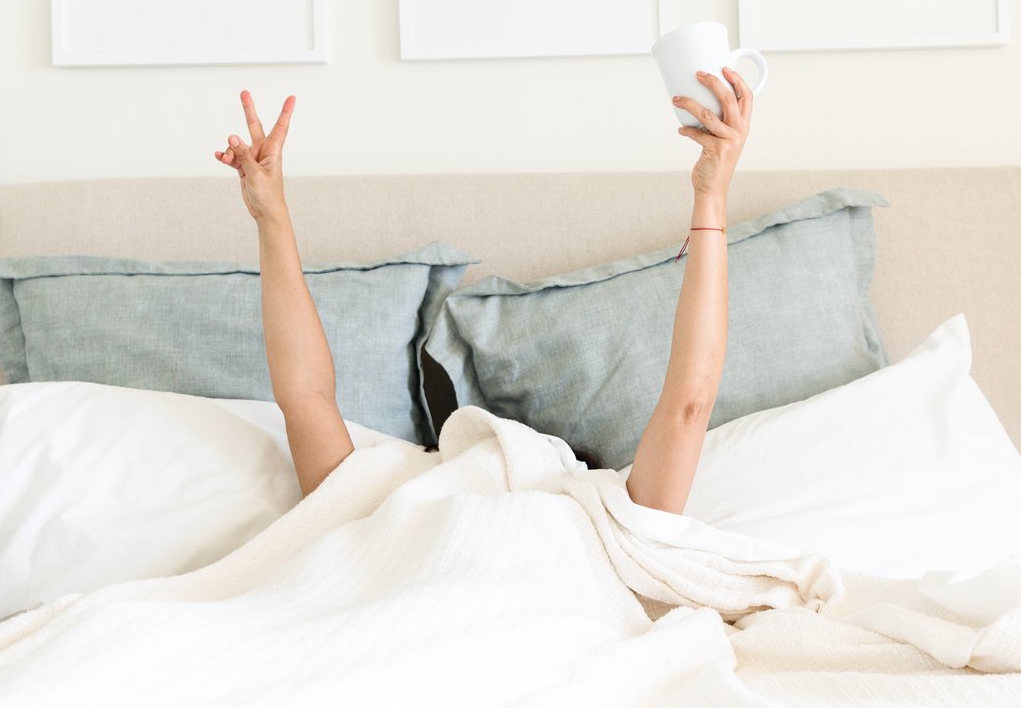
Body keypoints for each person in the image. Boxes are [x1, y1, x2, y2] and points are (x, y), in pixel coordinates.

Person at [215, 67, 754, 512]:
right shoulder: (391, 501)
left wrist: (274, 218)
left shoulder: (601, 516)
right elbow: (690, 402)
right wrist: (271, 215)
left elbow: (305, 398)